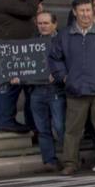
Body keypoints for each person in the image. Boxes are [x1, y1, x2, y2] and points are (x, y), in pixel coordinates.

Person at [48, 0, 95, 175]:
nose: (86, 14)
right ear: (75, 12)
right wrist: (64, 78)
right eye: (82, 11)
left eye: (88, 10)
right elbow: (54, 59)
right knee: (72, 130)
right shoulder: (64, 35)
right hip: (76, 90)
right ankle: (70, 163)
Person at [0, 0, 46, 131]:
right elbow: (26, 10)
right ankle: (6, 121)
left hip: (5, 49)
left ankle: (9, 121)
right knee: (9, 87)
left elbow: (19, 4)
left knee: (5, 87)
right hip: (8, 51)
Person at [29, 10, 64, 171]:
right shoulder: (31, 43)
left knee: (60, 126)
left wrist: (58, 75)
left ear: (54, 24)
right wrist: (18, 77)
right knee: (42, 128)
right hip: (37, 90)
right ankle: (50, 161)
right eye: (40, 23)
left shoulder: (63, 40)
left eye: (46, 23)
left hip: (57, 89)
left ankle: (70, 158)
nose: (42, 26)